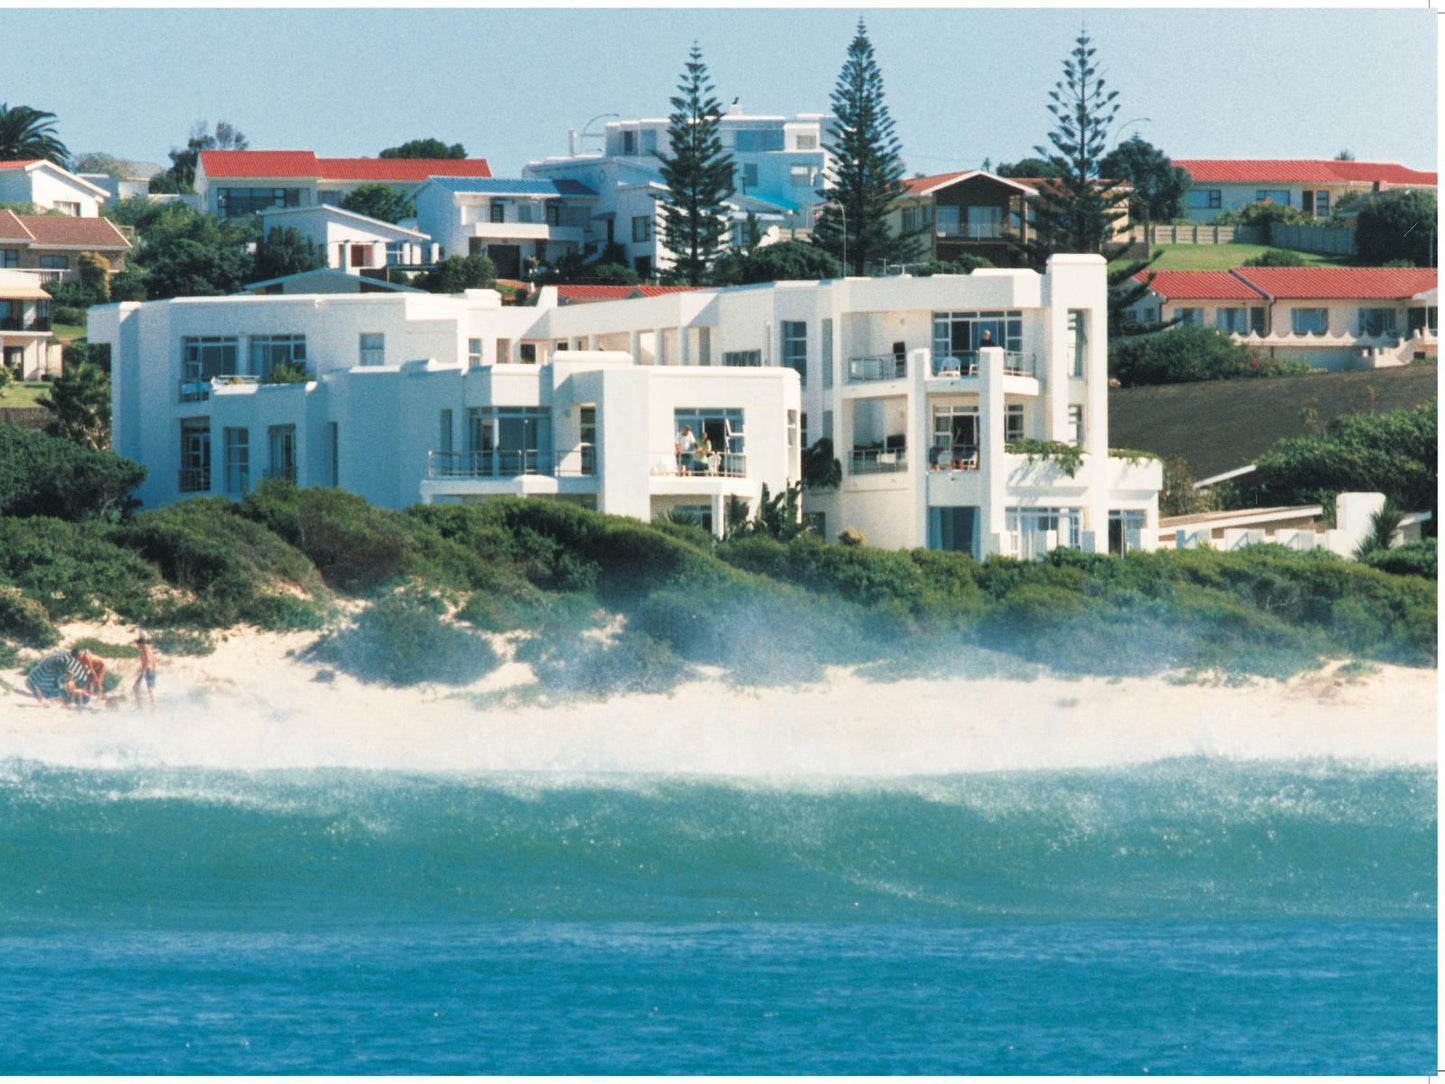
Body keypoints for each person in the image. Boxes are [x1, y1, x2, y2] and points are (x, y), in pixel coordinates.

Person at [25, 650, 91, 708]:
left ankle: (41, 699)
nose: (82, 691)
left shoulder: (64, 689)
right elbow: (68, 682)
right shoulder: (69, 685)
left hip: (61, 686)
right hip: (63, 686)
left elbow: (64, 685)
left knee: (39, 685)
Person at [133, 633, 158, 708]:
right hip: (151, 670)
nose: (138, 646)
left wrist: (144, 672)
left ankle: (142, 706)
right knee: (148, 689)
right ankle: (145, 706)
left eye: (138, 644)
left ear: (142, 644)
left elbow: (148, 661)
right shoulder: (149, 650)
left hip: (147, 671)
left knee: (146, 689)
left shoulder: (146, 650)